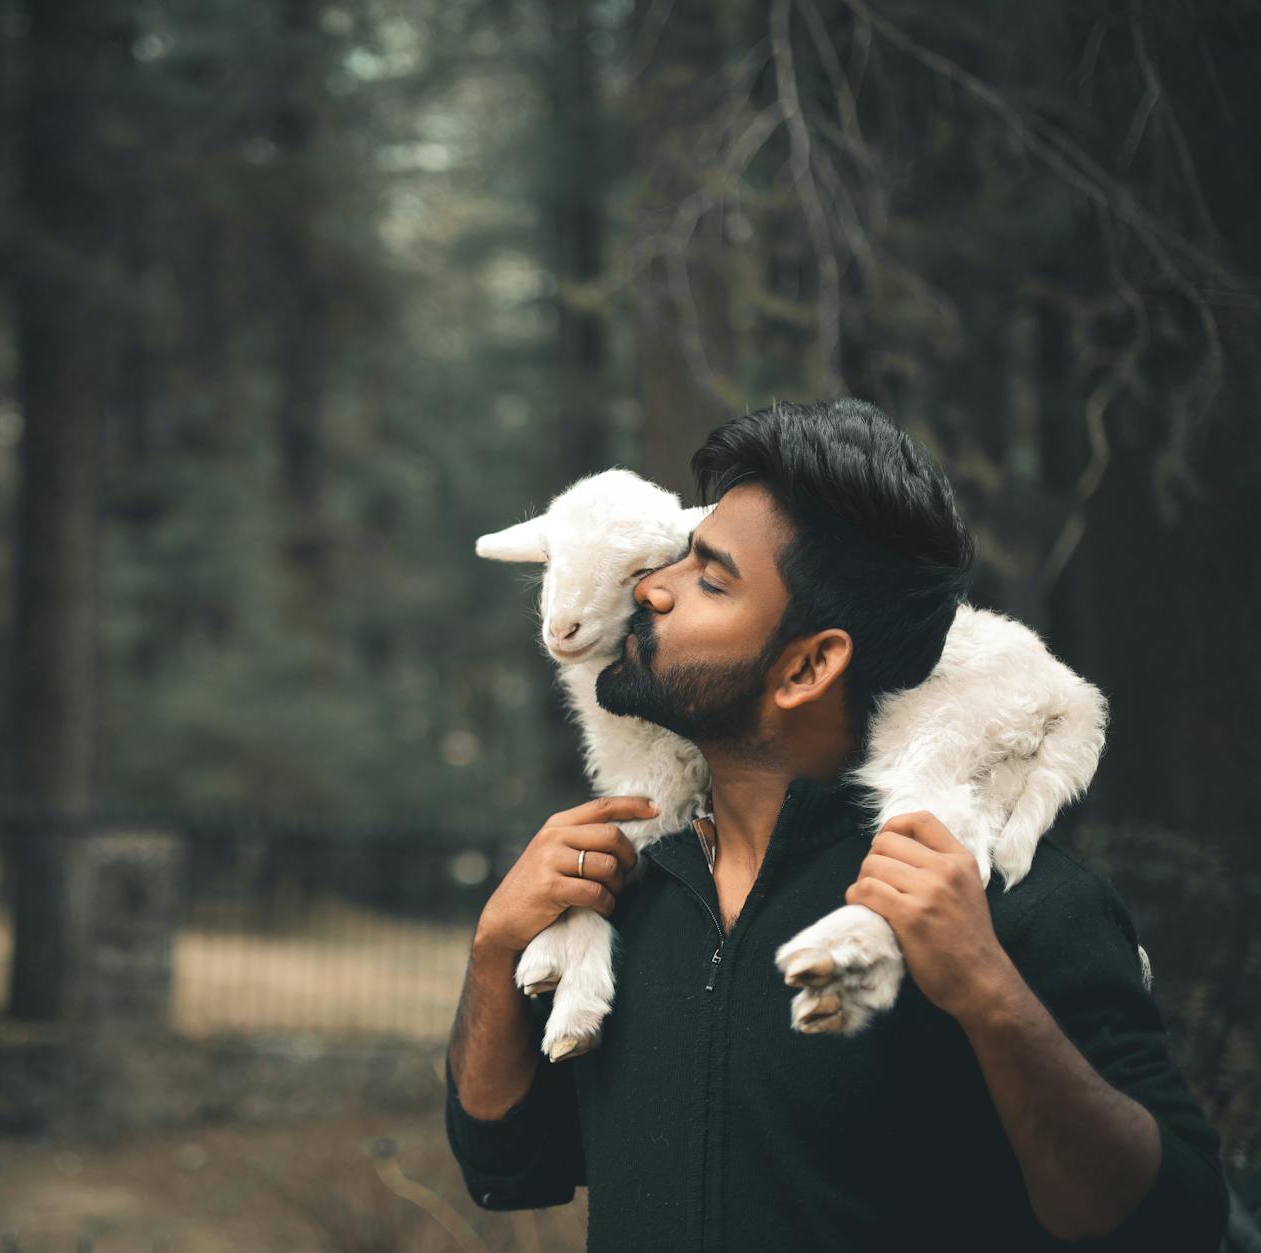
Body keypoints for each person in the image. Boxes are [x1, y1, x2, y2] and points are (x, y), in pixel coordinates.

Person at [444, 399, 1229, 1251]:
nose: (648, 589)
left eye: (708, 579)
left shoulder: (1010, 903)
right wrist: (495, 950)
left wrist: (987, 989)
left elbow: (1176, 1222)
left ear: (810, 665)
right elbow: (509, 1164)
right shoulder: (629, 888)